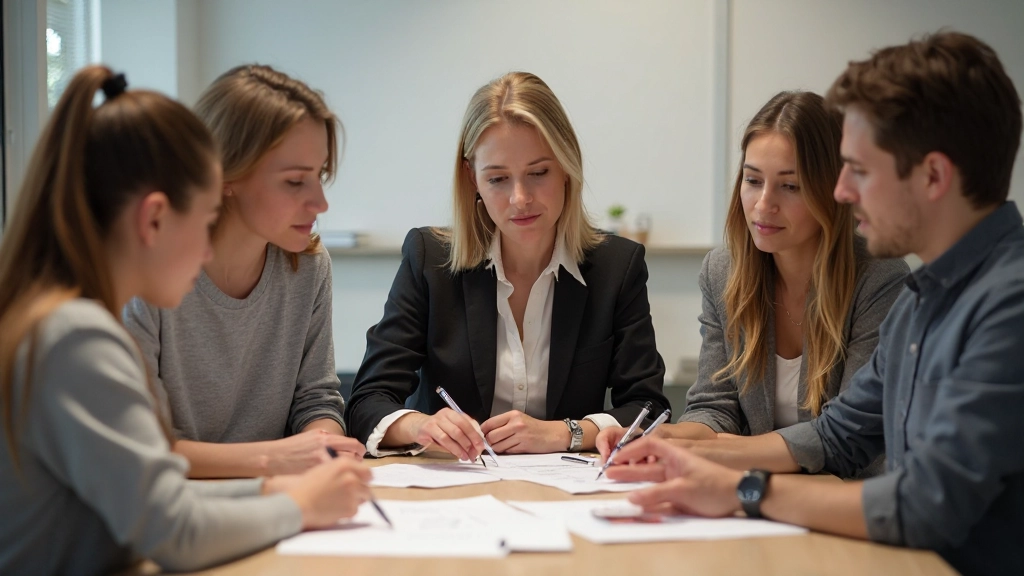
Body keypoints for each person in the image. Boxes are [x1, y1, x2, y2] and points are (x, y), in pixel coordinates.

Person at [599, 32, 1023, 576]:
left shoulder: (1008, 303)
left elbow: (926, 504)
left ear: (934, 176)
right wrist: (689, 457)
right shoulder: (929, 296)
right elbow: (836, 433)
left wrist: (747, 491)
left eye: (861, 171)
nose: (842, 191)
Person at [0, 67, 371, 574]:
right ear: (153, 219)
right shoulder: (77, 339)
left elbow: (156, 495)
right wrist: (297, 504)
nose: (204, 250)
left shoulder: (64, 322)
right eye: (201, 224)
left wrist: (267, 488)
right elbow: (173, 530)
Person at [345, 71, 669, 458]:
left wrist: (564, 433)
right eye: (498, 178)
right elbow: (366, 401)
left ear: (567, 167)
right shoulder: (430, 258)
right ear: (472, 180)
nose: (520, 198)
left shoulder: (618, 267)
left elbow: (650, 410)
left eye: (538, 173)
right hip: (456, 491)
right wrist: (421, 425)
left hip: (567, 495)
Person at [599, 92, 907, 476]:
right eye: (753, 180)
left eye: (790, 186)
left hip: (844, 500)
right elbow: (715, 407)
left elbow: (846, 433)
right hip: (749, 497)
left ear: (832, 191)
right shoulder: (723, 271)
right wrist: (668, 439)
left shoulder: (880, 279)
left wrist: (722, 453)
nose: (763, 204)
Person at [123, 64, 364, 478]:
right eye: (294, 182)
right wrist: (278, 459)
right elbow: (140, 448)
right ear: (226, 175)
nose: (321, 202)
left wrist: (324, 447)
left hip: (268, 499)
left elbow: (318, 399)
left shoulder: (308, 265)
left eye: (320, 175)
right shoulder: (148, 277)